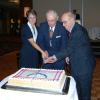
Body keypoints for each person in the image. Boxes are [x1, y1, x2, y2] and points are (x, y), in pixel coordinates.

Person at [44, 12, 96, 100]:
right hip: (77, 65)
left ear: (72, 20)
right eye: (62, 22)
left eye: (65, 22)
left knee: (85, 94)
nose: (63, 25)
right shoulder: (73, 29)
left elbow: (69, 49)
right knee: (78, 92)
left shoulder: (78, 31)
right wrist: (68, 57)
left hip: (84, 68)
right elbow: (75, 47)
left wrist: (54, 57)